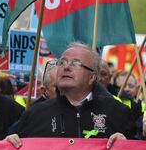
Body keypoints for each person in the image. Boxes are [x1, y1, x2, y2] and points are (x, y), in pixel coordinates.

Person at [7, 43, 137, 144]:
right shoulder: (35, 114)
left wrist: (127, 145)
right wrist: (9, 143)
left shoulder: (117, 112)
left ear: (92, 77)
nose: (66, 67)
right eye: (62, 62)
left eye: (76, 63)